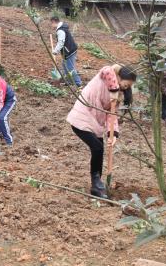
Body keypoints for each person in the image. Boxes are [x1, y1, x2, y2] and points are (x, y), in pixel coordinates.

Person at [67, 64, 137, 198]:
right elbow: (107, 69)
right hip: (81, 118)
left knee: (100, 149)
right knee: (97, 148)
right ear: (119, 76)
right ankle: (97, 184)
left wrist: (113, 133)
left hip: (95, 124)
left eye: (128, 87)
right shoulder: (106, 75)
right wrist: (115, 88)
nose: (124, 87)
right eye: (125, 84)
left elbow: (111, 114)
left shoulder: (116, 96)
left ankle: (97, 184)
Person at [50, 16, 82, 87]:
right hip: (68, 50)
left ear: (54, 22)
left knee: (70, 67)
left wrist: (55, 51)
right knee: (65, 65)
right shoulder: (62, 28)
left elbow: (61, 42)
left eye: (51, 23)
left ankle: (78, 83)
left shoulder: (60, 30)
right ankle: (69, 81)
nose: (51, 25)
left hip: (69, 51)